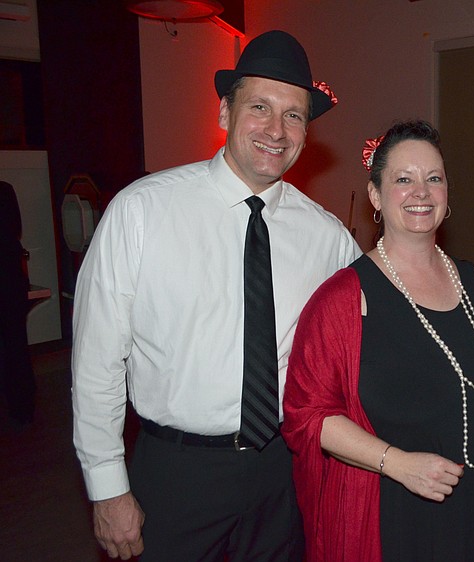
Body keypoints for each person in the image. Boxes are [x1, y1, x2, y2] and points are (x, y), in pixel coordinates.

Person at [72, 30, 360, 561]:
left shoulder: (329, 239)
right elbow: (96, 358)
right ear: (225, 113)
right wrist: (107, 485)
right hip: (177, 472)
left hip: (281, 471)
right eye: (260, 107)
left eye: (293, 115)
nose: (277, 130)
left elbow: (367, 342)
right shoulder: (142, 212)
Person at [282, 120, 474, 561]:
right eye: (403, 179)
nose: (422, 192)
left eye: (434, 178)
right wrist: (399, 464)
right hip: (397, 516)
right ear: (375, 194)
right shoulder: (345, 296)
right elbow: (305, 415)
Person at [0, 180, 36, 428]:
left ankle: (18, 405)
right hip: (11, 278)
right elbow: (16, 229)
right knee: (16, 344)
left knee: (9, 347)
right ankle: (22, 406)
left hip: (9, 278)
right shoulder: (5, 190)